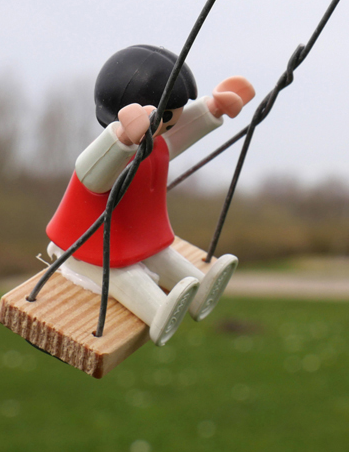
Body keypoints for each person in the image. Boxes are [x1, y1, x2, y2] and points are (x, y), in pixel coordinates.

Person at [44, 44, 254, 345]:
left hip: (139, 234)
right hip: (92, 245)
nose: (170, 125)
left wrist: (213, 108)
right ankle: (159, 313)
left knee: (164, 257)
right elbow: (91, 175)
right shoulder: (114, 152)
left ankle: (199, 289)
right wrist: (122, 138)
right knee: (128, 277)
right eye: (165, 116)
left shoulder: (156, 145)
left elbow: (181, 131)